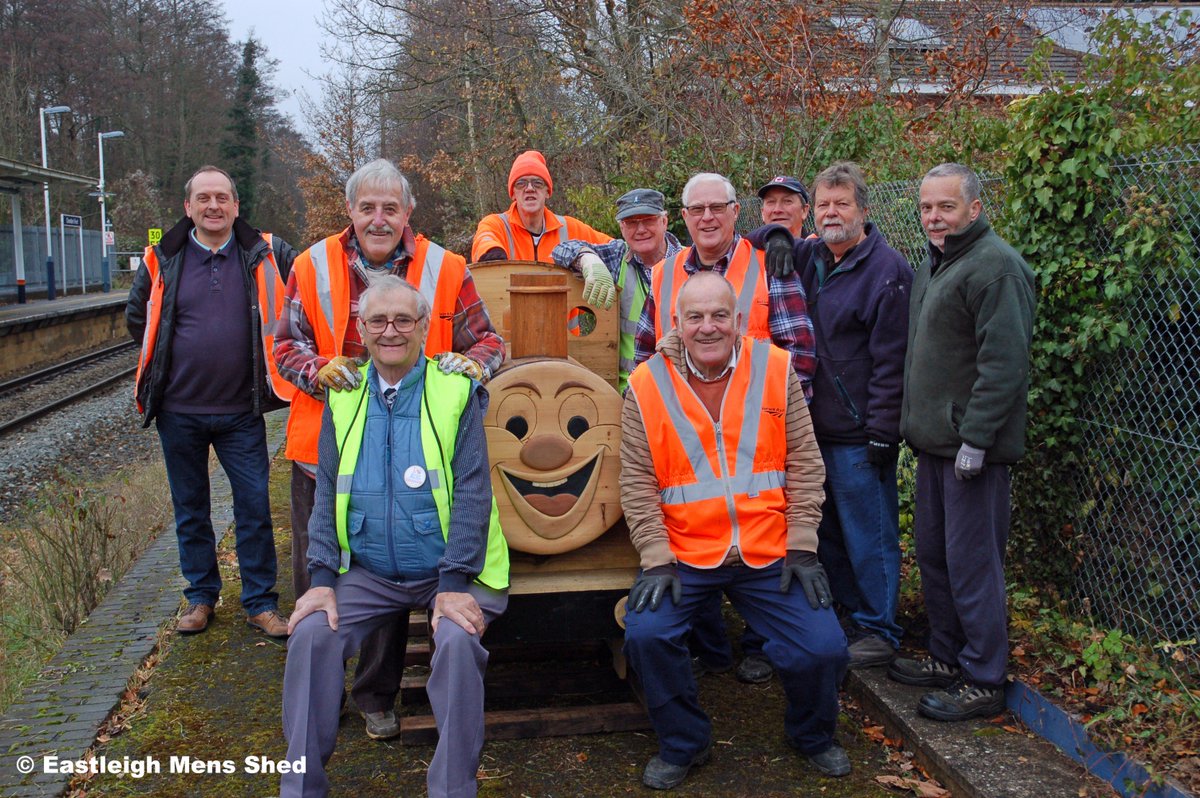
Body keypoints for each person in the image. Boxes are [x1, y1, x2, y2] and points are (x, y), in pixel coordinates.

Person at [274, 158, 504, 741]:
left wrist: (470, 365)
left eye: (391, 208)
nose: (379, 219)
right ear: (350, 211)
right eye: (367, 208)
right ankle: (334, 698)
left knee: (406, 560)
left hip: (424, 444)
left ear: (407, 214)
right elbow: (283, 346)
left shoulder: (445, 267)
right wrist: (316, 370)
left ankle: (380, 693)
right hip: (333, 450)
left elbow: (491, 340)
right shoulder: (313, 265)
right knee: (330, 581)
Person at [280, 275, 509, 798]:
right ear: (360, 329)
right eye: (378, 321)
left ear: (425, 327)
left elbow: (474, 493)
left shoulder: (455, 391)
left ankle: (453, 788)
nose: (391, 331)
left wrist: (453, 582)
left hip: (452, 570)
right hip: (368, 572)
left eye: (404, 320)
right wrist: (319, 579)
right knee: (311, 636)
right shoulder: (342, 395)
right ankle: (300, 789)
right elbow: (328, 495)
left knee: (456, 642)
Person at [620, 271, 849, 789]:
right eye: (694, 317)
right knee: (647, 636)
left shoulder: (775, 367)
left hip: (770, 551)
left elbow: (805, 463)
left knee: (824, 648)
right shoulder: (645, 384)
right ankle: (684, 743)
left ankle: (812, 735)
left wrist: (803, 545)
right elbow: (635, 479)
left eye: (719, 315)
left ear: (739, 320)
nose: (707, 327)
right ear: (675, 322)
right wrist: (655, 555)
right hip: (684, 553)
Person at [643, 172, 817, 685]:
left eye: (717, 208)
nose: (707, 218)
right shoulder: (664, 273)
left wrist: (779, 425)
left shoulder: (768, 265)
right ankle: (708, 645)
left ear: (736, 211)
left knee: (763, 548)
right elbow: (644, 354)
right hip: (686, 443)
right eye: (696, 210)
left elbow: (799, 356)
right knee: (694, 543)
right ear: (684, 217)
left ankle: (763, 644)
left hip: (761, 436)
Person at [890, 162, 1036, 722]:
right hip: (934, 446)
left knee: (973, 564)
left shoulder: (996, 269)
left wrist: (976, 439)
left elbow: (1004, 364)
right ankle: (947, 658)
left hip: (970, 454)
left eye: (946, 207)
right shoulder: (937, 263)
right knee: (936, 557)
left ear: (974, 208)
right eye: (927, 207)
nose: (934, 217)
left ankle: (983, 678)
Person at [127, 166, 294, 639]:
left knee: (255, 506)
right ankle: (201, 597)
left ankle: (260, 602)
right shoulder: (163, 257)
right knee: (191, 507)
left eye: (222, 197)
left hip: (242, 410)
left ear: (236, 205)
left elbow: (301, 301)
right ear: (188, 207)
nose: (213, 206)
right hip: (179, 410)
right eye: (204, 198)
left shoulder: (266, 252)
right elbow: (138, 318)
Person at [759, 162, 913, 670]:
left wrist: (883, 432)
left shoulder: (886, 271)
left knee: (869, 533)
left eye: (841, 204)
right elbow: (754, 235)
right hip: (808, 427)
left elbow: (893, 362)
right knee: (826, 535)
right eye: (823, 204)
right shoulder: (808, 255)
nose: (831, 213)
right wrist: (780, 234)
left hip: (857, 432)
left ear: (863, 211)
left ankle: (880, 627)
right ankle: (848, 613)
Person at [550, 188, 683, 392]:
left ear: (664, 221)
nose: (640, 230)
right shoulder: (617, 257)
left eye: (648, 220)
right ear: (621, 227)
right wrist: (588, 259)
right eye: (631, 222)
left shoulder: (690, 262)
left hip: (681, 391)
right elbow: (561, 249)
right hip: (631, 393)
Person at [471, 149, 612, 262]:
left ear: (547, 192)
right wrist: (491, 251)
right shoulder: (497, 225)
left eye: (538, 183)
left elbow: (612, 247)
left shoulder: (568, 228)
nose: (530, 188)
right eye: (521, 183)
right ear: (513, 193)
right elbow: (484, 239)